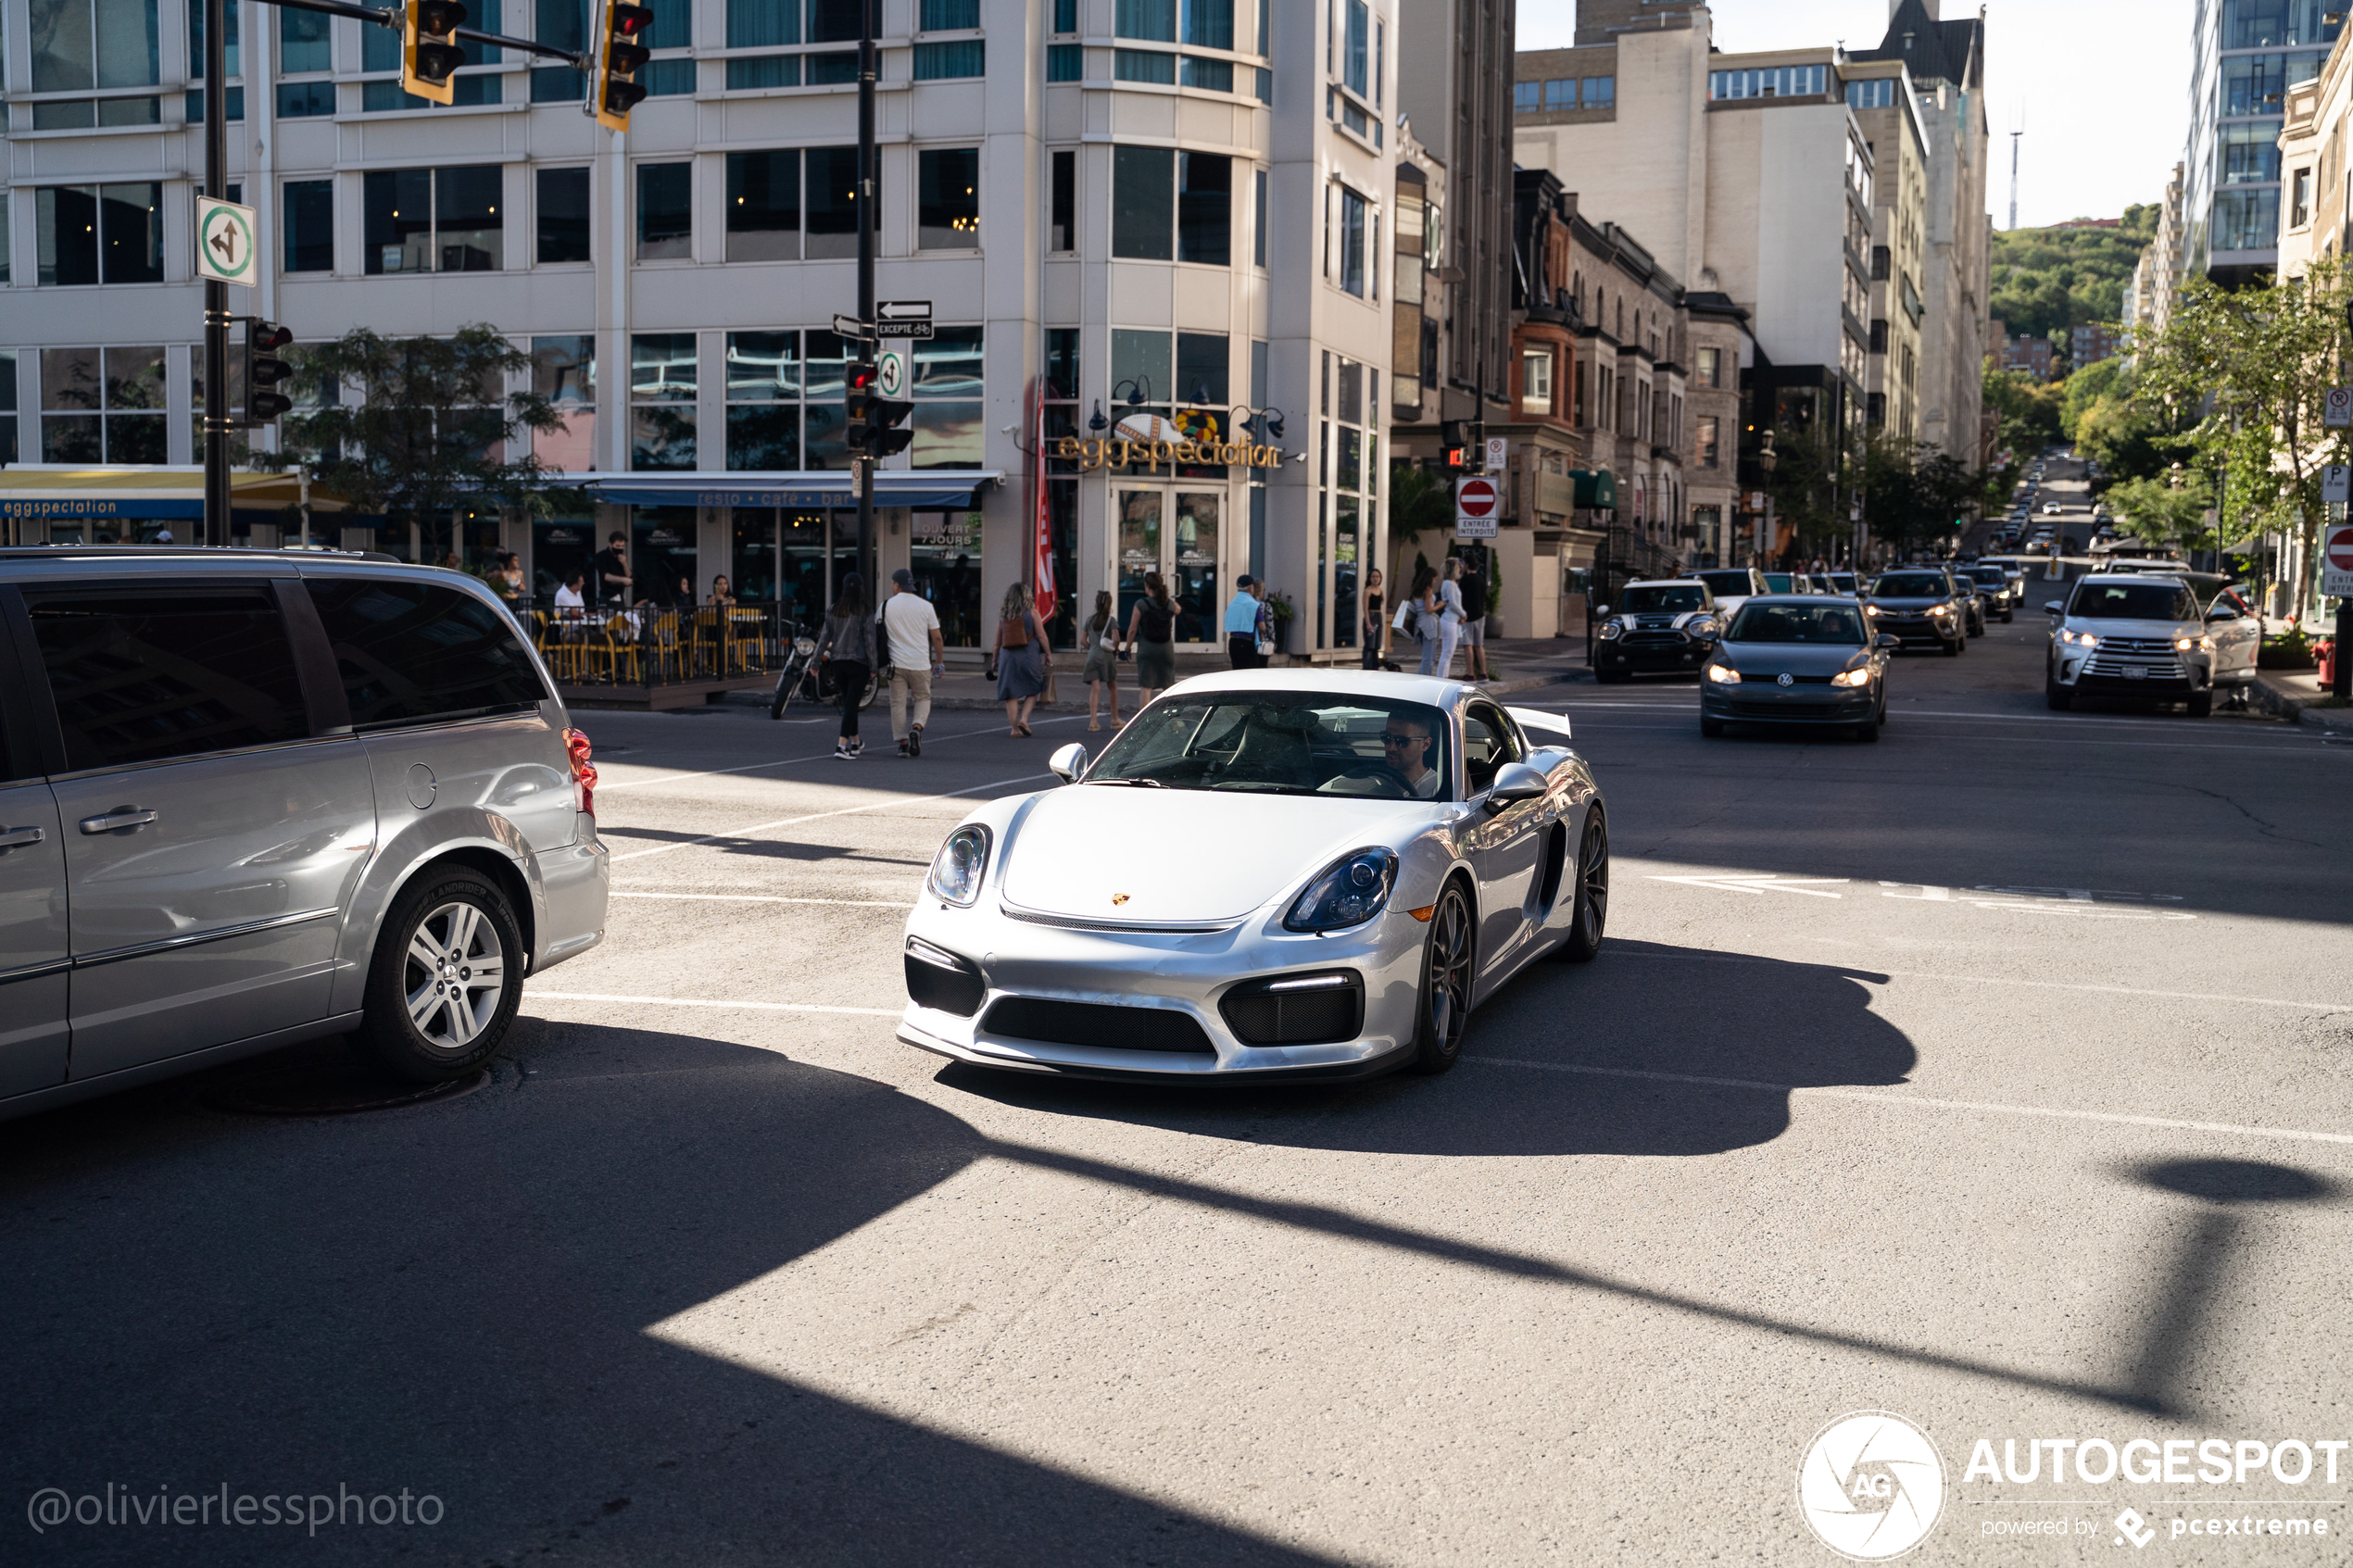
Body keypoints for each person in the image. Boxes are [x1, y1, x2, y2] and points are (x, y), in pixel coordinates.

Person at [879, 567, 944, 757]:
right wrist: (939, 661)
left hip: (896, 664)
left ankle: (902, 743)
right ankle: (917, 726)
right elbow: (937, 637)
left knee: (898, 703)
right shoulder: (926, 606)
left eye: (893, 583)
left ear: (897, 585)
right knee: (923, 697)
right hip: (921, 663)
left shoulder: (885, 606)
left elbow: (876, 633)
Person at [813, 572, 874, 759]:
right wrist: (874, 666)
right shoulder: (865, 610)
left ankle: (856, 742)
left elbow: (824, 638)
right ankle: (841, 746)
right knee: (851, 705)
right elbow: (869, 641)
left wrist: (815, 662)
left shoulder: (833, 609)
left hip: (838, 663)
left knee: (849, 703)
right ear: (862, 589)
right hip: (858, 663)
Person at [992, 582, 1051, 737]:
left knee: (1011, 693)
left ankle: (1014, 729)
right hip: (1028, 655)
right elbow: (1041, 636)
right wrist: (1048, 654)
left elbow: (997, 642)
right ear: (1027, 596)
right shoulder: (1032, 613)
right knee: (1034, 687)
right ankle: (1024, 719)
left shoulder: (1003, 616)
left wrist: (994, 660)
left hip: (1007, 657)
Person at [1126, 571, 1178, 704]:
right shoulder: (1169, 604)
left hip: (1147, 648)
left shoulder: (1141, 604)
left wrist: (1127, 648)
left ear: (1147, 586)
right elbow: (1178, 609)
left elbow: (1132, 629)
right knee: (1168, 686)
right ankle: (1174, 720)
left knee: (1146, 687)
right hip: (1166, 648)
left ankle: (1144, 721)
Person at [1080, 590, 1125, 732]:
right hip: (1107, 657)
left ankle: (1093, 722)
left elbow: (1082, 640)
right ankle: (1115, 719)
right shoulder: (1111, 621)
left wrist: (1091, 648)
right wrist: (1115, 648)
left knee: (1095, 689)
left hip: (1093, 656)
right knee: (1112, 687)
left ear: (1096, 603)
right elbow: (1116, 638)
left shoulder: (1090, 620)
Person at [1381, 712, 1443, 799]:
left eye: (1402, 741)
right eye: (1386, 738)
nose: (1392, 748)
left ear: (1425, 744)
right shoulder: (1375, 783)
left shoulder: (1441, 789)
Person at [1432, 558, 1467, 679]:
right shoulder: (1450, 584)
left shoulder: (1449, 583)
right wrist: (1463, 614)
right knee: (1447, 653)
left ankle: (1443, 677)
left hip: (1451, 620)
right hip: (1450, 620)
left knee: (1447, 653)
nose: (1459, 570)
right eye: (1457, 568)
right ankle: (1442, 678)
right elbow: (1453, 603)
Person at [1457, 556, 1491, 680]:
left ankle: (1470, 673)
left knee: (1467, 645)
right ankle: (1483, 673)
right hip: (1480, 615)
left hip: (1467, 616)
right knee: (1479, 645)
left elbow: (1460, 597)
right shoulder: (1481, 580)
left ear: (1466, 565)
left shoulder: (1465, 580)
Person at [1224, 574, 1265, 669]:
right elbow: (1262, 626)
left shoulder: (1232, 604)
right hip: (1247, 644)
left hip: (1233, 642)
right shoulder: (1253, 604)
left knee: (1237, 671)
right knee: (1250, 673)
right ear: (1251, 588)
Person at [1405, 563, 1440, 674]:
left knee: (1426, 655)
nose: (1435, 581)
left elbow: (1415, 606)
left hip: (1420, 623)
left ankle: (1422, 676)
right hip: (1429, 623)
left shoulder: (1417, 590)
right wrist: (1440, 605)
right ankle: (1425, 678)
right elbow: (1428, 609)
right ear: (1431, 578)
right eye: (1434, 578)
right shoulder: (1428, 590)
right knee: (1429, 657)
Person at [592, 532, 632, 607]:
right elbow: (605, 576)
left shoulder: (620, 558)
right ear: (610, 544)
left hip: (620, 595)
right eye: (617, 546)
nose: (620, 548)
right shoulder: (601, 556)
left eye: (622, 546)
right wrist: (622, 580)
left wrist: (624, 563)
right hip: (607, 595)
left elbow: (629, 575)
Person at [1361, 567, 1387, 671]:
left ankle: (1375, 665)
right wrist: (1368, 623)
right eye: (1373, 577)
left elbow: (1382, 601)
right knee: (1369, 644)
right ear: (1369, 578)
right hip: (1370, 616)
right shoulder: (1367, 591)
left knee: (1377, 643)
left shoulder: (1380, 591)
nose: (1375, 579)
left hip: (1378, 616)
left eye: (1377, 577)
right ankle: (1367, 666)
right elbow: (1365, 608)